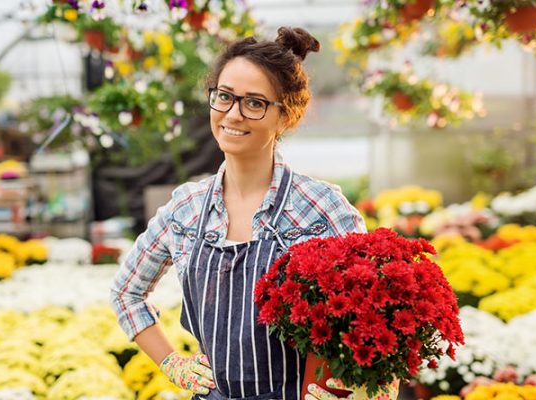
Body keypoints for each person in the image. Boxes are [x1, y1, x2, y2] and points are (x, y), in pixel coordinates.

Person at [111, 27, 392, 400]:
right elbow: (127, 293)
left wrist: (370, 392)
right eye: (224, 97)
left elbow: (381, 314)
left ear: (286, 116)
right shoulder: (186, 208)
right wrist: (172, 363)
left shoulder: (322, 209)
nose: (233, 114)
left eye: (255, 103)